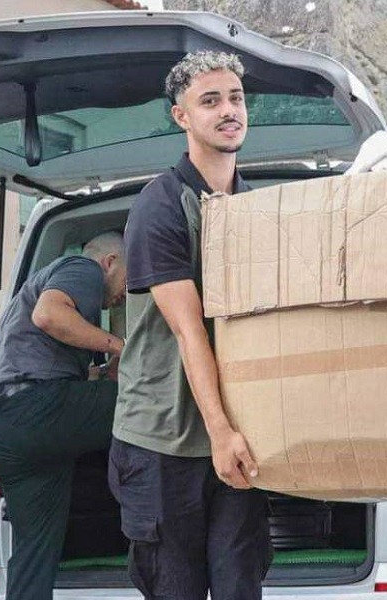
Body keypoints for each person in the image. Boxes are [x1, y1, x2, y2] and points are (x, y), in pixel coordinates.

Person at [109, 50, 272, 600]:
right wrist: (221, 433)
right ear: (181, 116)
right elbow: (189, 331)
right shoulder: (161, 206)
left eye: (236, 98)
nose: (229, 111)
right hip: (163, 442)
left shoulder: (251, 210)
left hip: (236, 439)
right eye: (210, 101)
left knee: (238, 588)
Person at [0, 231, 127, 600]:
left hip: (3, 431)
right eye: (130, 275)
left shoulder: (37, 292)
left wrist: (101, 371)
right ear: (110, 262)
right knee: (148, 400)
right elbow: (48, 315)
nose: (129, 290)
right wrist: (122, 346)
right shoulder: (83, 268)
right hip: (35, 409)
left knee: (34, 553)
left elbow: (55, 365)